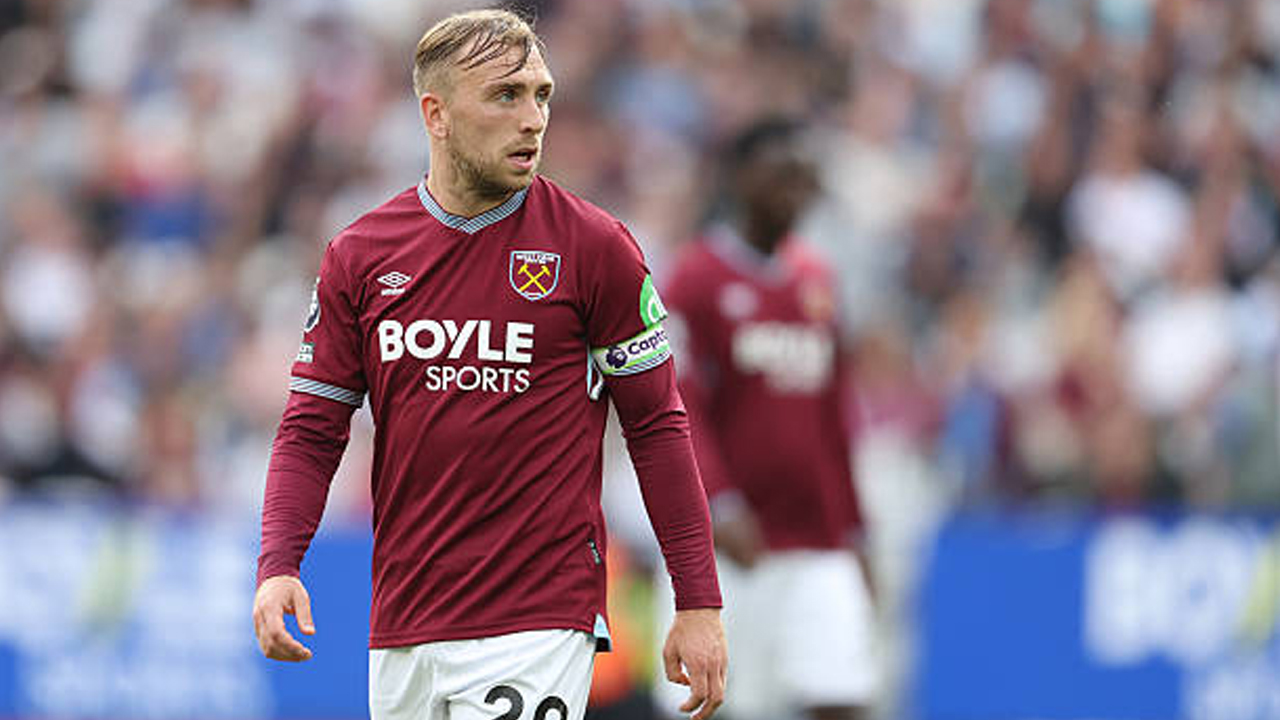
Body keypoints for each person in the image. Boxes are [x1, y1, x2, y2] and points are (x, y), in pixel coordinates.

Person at [251, 10, 727, 720]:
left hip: (537, 616)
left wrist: (697, 600)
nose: (533, 118)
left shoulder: (594, 248)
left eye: (541, 95)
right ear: (435, 114)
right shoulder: (362, 255)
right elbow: (311, 428)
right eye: (506, 96)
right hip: (404, 622)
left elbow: (657, 425)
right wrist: (278, 564)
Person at [655, 119, 877, 720]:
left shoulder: (817, 282)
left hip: (815, 536)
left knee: (842, 694)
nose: (793, 191)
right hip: (730, 542)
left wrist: (856, 532)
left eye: (803, 179)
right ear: (740, 178)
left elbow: (834, 421)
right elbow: (679, 404)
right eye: (780, 175)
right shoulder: (696, 277)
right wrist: (717, 504)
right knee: (713, 704)